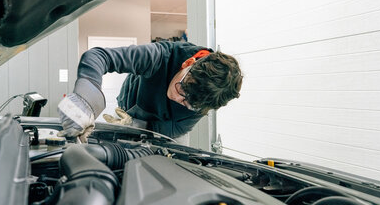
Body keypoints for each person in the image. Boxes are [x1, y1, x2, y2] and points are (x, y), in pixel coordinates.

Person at [57, 41, 242, 142]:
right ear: (187, 64)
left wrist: (138, 126)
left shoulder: (207, 98)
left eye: (188, 103)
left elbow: (176, 128)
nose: (178, 98)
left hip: (168, 128)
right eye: (182, 89)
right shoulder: (160, 56)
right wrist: (86, 100)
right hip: (133, 102)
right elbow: (99, 56)